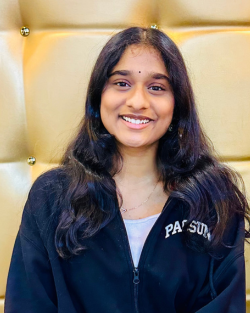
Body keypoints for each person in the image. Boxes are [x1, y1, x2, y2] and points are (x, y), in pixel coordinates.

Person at [4, 26, 250, 313]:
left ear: (177, 105)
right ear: (98, 97)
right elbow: (27, 304)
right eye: (121, 83)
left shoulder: (214, 200)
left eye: (157, 87)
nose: (137, 102)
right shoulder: (51, 198)